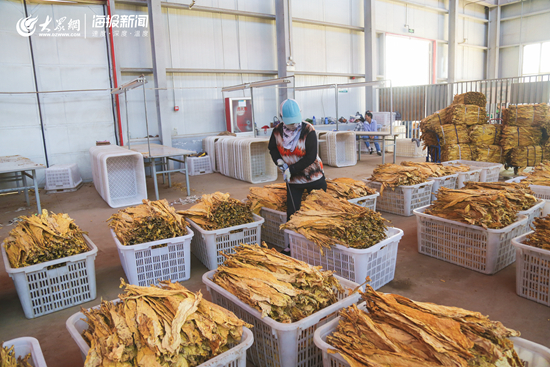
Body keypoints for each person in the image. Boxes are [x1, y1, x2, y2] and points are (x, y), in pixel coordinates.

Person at [268, 99, 327, 254]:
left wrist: (291, 169)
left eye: (295, 123)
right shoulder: (277, 132)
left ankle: (320, 244)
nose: (293, 126)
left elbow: (310, 157)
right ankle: (292, 245)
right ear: (282, 118)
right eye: (289, 123)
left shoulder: (309, 130)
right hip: (293, 181)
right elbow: (272, 148)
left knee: (320, 210)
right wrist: (279, 162)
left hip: (313, 178)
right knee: (292, 213)